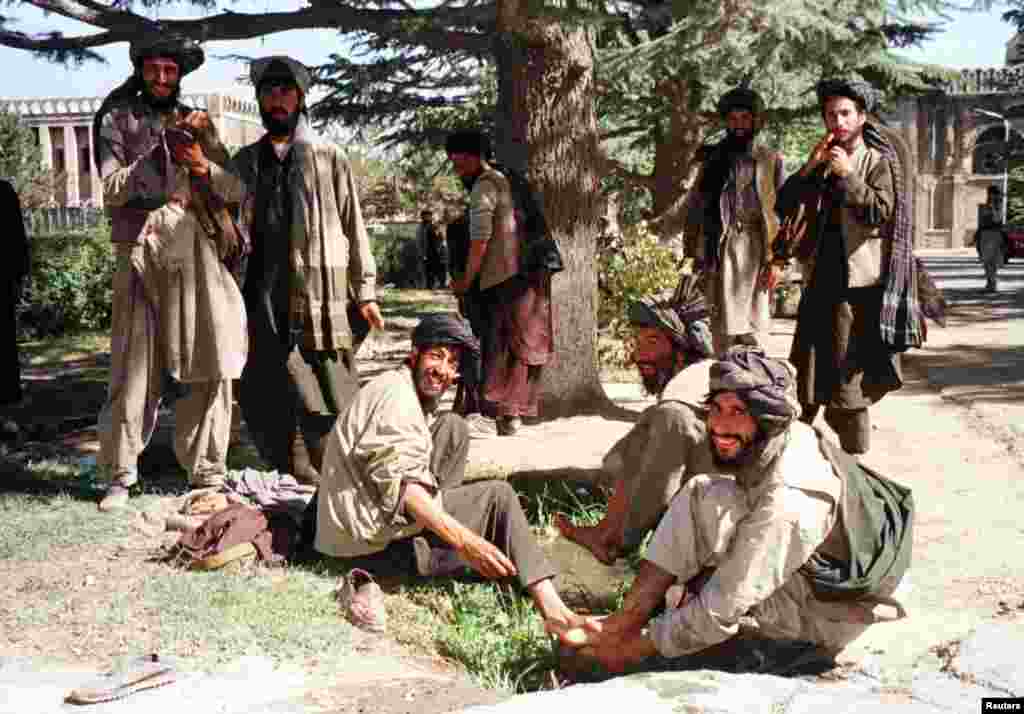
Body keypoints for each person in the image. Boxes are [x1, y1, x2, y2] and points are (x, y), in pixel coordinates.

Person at [553, 347, 913, 677]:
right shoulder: (781, 437)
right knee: (699, 493)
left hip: (830, 610)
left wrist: (637, 650)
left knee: (721, 607)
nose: (720, 426)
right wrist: (623, 626)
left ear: (768, 418)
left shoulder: (791, 499)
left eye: (739, 412)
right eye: (717, 409)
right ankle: (625, 619)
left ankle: (645, 642)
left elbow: (722, 607)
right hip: (804, 554)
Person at [314, 313, 582, 631]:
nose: (443, 370)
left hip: (353, 528)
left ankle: (443, 544)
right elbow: (405, 490)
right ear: (414, 354)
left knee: (452, 427)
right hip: (362, 550)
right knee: (498, 497)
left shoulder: (397, 385)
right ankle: (557, 614)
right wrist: (468, 542)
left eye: (452, 363)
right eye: (436, 357)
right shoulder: (397, 402)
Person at [93, 34, 248, 511]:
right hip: (138, 250)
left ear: (180, 74)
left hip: (193, 253)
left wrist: (200, 162)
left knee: (210, 356)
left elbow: (235, 190)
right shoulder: (117, 117)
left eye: (171, 71)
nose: (162, 78)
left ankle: (205, 472)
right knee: (132, 366)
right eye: (154, 68)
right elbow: (113, 188)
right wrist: (158, 153)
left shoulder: (197, 121)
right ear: (141, 69)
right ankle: (119, 476)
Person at [233, 56, 384, 485]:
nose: (277, 101)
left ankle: (333, 469)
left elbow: (354, 225)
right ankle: (288, 465)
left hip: (320, 290)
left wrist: (366, 291)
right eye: (269, 92)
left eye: (285, 92)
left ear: (300, 98)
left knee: (326, 381)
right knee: (267, 380)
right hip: (262, 291)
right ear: (260, 100)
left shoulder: (327, 157)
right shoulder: (246, 161)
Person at [773, 78, 923, 454]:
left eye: (845, 113)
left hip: (857, 287)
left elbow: (880, 212)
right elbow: (785, 204)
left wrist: (848, 175)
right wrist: (810, 166)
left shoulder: (876, 162)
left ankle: (855, 459)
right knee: (805, 371)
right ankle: (793, 452)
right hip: (819, 279)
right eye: (830, 114)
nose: (837, 121)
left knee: (847, 376)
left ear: (861, 117)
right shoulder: (824, 158)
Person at [555, 275, 715, 564]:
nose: (640, 354)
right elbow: (621, 461)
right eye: (638, 341)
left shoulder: (679, 406)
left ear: (682, 348)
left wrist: (625, 539)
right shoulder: (692, 384)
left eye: (652, 341)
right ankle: (605, 530)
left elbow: (660, 486)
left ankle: (612, 540)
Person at [446, 130, 553, 436]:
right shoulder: (510, 178)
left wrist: (466, 280)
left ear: (471, 156)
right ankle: (511, 415)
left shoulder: (485, 185)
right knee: (519, 345)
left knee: (500, 344)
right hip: (530, 273)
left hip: (507, 277)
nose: (456, 167)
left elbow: (480, 239)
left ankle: (494, 412)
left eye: (457, 160)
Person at [683, 87, 784, 353]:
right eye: (733, 119)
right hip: (721, 247)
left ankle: (755, 383)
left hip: (758, 251)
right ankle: (724, 384)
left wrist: (780, 260)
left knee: (755, 329)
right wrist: (693, 252)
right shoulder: (712, 160)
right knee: (722, 329)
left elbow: (782, 213)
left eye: (745, 119)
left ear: (755, 121)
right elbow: (696, 207)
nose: (739, 126)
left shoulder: (770, 160)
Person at [0, 180, 29, 441]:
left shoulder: (4, 192)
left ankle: (5, 415)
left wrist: (19, 279)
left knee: (4, 351)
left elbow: (17, 240)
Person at [973, 205, 1007, 292]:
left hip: (988, 238)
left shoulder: (990, 214)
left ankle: (992, 284)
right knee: (990, 264)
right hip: (991, 238)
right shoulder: (997, 214)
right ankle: (991, 283)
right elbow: (1002, 230)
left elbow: (981, 228)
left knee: (989, 263)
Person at [418, 209, 448, 289]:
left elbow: (441, 238)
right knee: (428, 270)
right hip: (427, 252)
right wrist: (422, 252)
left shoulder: (434, 226)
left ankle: (442, 284)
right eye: (424, 216)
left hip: (436, 252)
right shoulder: (421, 227)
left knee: (439, 269)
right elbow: (420, 240)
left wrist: (440, 249)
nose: (426, 217)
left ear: (431, 216)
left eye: (428, 216)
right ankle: (429, 285)